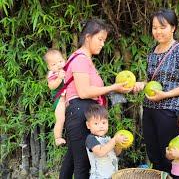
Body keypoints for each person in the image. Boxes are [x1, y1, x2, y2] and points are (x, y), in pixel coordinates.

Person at [59, 19, 130, 179]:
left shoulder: (84, 59)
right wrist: (114, 87)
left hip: (81, 111)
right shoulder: (81, 59)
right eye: (100, 39)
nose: (102, 44)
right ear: (88, 37)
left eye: (104, 41)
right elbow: (84, 92)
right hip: (80, 111)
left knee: (72, 159)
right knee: (82, 165)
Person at [133, 8, 179, 174]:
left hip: (170, 111)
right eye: (154, 27)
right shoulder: (153, 51)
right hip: (149, 110)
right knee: (154, 155)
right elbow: (154, 82)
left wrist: (166, 94)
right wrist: (142, 84)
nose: (158, 31)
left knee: (169, 156)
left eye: (162, 27)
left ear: (173, 28)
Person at [84, 104, 128, 179]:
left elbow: (116, 153)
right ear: (88, 125)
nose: (101, 126)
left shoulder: (108, 138)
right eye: (96, 123)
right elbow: (100, 152)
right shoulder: (91, 139)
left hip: (112, 175)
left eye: (104, 123)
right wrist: (114, 140)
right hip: (98, 177)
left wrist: (119, 144)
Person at [44, 49, 67, 146]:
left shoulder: (67, 69)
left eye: (60, 61)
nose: (58, 65)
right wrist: (59, 78)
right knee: (60, 118)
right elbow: (51, 86)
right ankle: (57, 138)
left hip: (68, 97)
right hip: (59, 100)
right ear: (49, 67)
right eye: (54, 64)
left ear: (64, 60)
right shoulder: (52, 74)